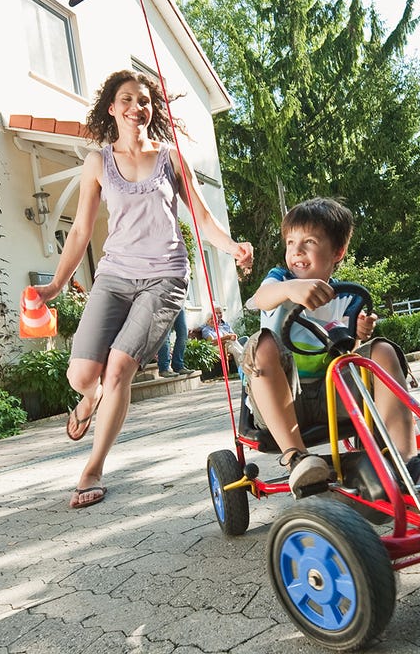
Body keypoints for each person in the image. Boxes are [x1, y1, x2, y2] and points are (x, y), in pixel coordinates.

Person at [33, 69, 254, 509]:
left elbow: (203, 218)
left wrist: (232, 247)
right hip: (113, 276)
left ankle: (93, 468)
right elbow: (79, 232)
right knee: (82, 376)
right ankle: (89, 398)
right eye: (128, 99)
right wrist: (56, 284)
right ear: (112, 108)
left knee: (119, 369)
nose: (138, 106)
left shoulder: (170, 157)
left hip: (164, 277)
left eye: (145, 100)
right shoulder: (98, 162)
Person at [241, 197, 420, 499]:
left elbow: (346, 356)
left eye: (309, 241)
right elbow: (260, 299)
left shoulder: (345, 296)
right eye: (291, 242)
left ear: (337, 252)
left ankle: (406, 462)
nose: (297, 250)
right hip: (283, 400)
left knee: (382, 350)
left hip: (331, 396)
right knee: (262, 344)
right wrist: (290, 289)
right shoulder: (280, 280)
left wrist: (359, 335)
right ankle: (297, 458)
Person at [156, 306, 192, 377]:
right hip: (165, 303)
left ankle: (178, 365)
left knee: (183, 334)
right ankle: (164, 368)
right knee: (165, 336)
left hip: (179, 303)